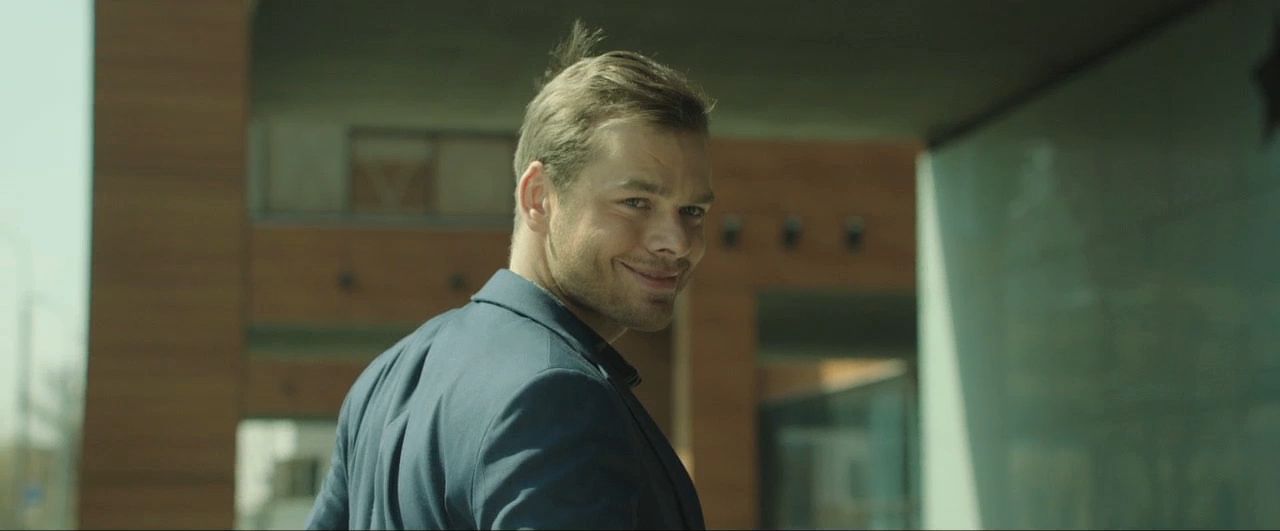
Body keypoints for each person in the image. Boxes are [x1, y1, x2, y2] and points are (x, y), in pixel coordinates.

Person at [305, 20, 715, 530]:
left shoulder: (387, 377)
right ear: (539, 197)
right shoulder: (557, 394)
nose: (676, 241)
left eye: (693, 211)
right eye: (636, 202)